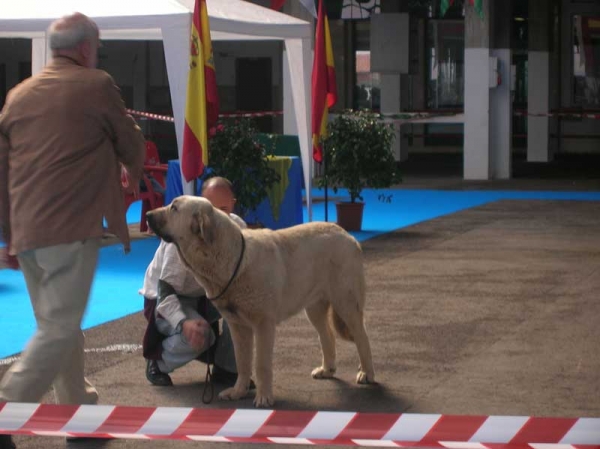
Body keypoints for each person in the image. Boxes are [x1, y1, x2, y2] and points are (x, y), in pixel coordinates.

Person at [0, 12, 145, 449]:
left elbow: (2, 171)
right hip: (71, 229)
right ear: (86, 48)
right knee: (59, 328)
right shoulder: (97, 84)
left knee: (59, 325)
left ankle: (79, 416)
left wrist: (7, 235)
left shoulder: (17, 95)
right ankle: (6, 406)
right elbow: (131, 140)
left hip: (27, 233)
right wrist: (131, 172)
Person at [140, 177, 248, 387]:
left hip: (205, 296)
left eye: (222, 209)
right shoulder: (180, 237)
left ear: (233, 204)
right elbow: (165, 292)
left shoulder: (239, 229)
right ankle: (158, 361)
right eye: (210, 208)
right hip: (167, 298)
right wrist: (184, 322)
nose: (214, 217)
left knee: (242, 311)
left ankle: (226, 369)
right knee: (201, 334)